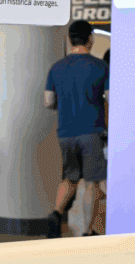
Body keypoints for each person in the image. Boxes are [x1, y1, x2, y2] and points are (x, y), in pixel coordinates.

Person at [44, 20, 109, 238]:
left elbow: (48, 101)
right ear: (90, 39)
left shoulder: (56, 68)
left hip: (65, 132)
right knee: (92, 183)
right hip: (91, 131)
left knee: (69, 178)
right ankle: (87, 231)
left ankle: (56, 213)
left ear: (70, 39)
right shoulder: (100, 67)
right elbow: (110, 98)